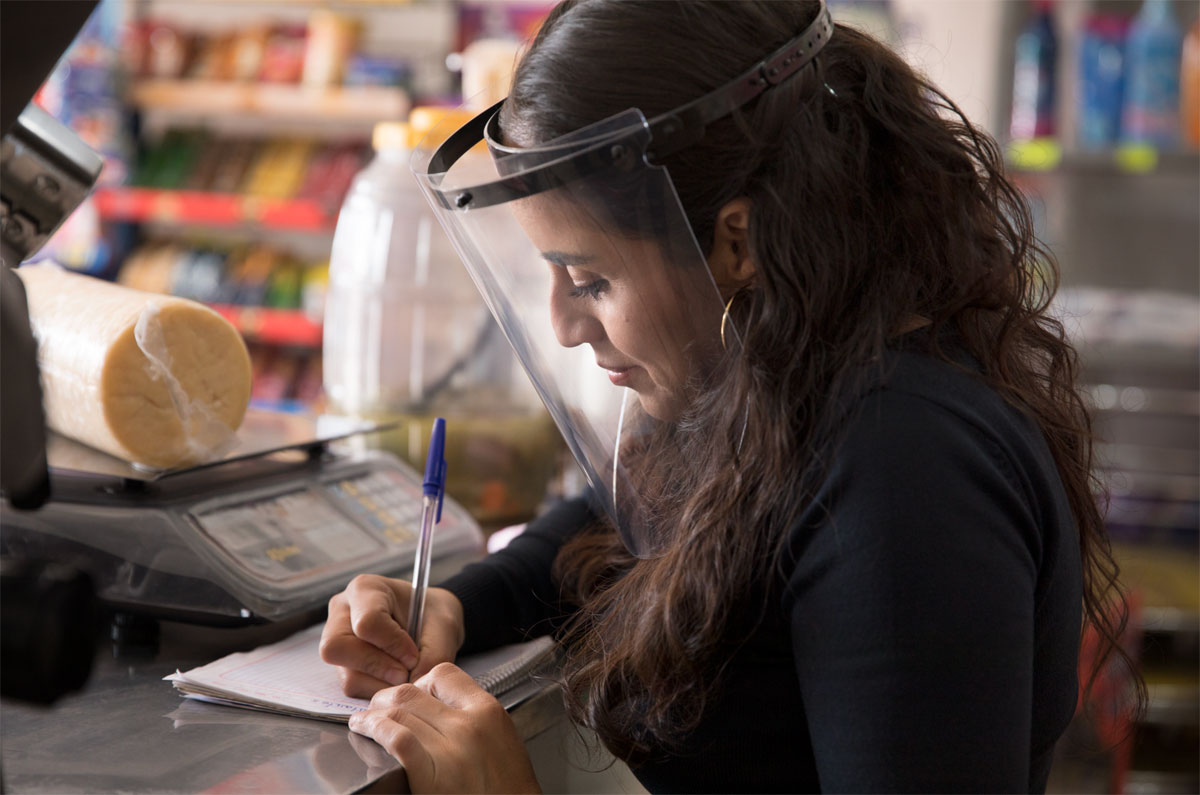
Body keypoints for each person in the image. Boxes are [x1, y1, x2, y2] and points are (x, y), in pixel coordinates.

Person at [319, 1, 1134, 791]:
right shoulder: (779, 375)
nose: (565, 325)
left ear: (735, 240)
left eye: (591, 280)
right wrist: (461, 602)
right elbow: (633, 518)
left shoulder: (902, 468)